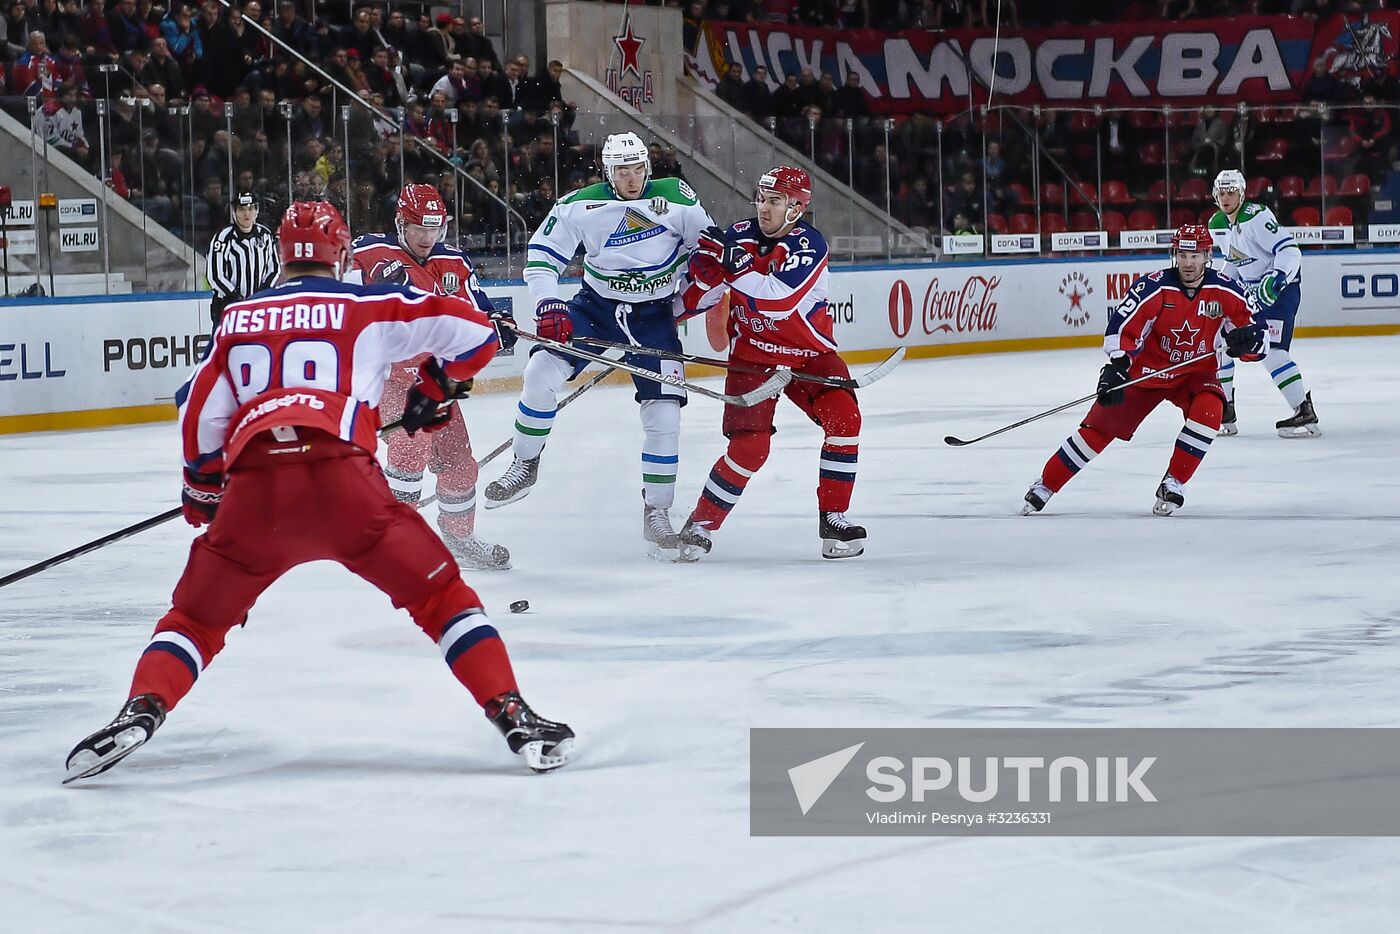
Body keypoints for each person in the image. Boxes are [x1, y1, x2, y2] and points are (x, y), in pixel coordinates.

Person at [64, 202, 574, 785]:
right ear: (345, 253)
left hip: (256, 492)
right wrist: (437, 387)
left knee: (194, 620)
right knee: (443, 601)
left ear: (281, 254)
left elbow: (199, 414)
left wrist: (204, 489)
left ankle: (143, 707)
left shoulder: (238, 320)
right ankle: (511, 709)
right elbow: (479, 333)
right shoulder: (368, 305)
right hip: (345, 487)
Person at [483, 131, 715, 559]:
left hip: (653, 317)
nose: (631, 178)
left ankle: (657, 512)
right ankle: (524, 464)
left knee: (664, 416)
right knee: (539, 372)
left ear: (649, 165)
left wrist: (689, 298)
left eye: (638, 168)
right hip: (596, 308)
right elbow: (541, 254)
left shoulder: (677, 197)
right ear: (607, 171)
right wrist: (549, 300)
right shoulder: (578, 203)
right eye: (622, 171)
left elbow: (710, 254)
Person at [674, 166, 866, 561]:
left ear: (796, 208)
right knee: (750, 448)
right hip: (753, 358)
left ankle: (833, 516)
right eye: (761, 199)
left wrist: (732, 265)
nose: (764, 208)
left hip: (809, 355)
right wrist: (694, 291)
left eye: (774, 201)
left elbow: (777, 301)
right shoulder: (738, 236)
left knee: (845, 418)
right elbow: (697, 297)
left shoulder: (810, 245)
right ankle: (700, 526)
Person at [1020, 224, 1265, 517]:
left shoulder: (1226, 289)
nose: (1189, 262)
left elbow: (1256, 334)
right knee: (1099, 430)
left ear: (1207, 255)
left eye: (1196, 255)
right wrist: (1118, 365)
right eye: (1183, 254)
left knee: (1211, 411)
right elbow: (1123, 327)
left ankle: (1174, 482)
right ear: (1175, 254)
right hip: (1145, 372)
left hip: (1193, 372)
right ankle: (1046, 484)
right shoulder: (1154, 286)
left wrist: (1247, 343)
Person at [351, 183, 514, 570]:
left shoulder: (453, 261)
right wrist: (374, 291)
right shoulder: (369, 252)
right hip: (387, 375)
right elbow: (337, 300)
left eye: (435, 229)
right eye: (419, 229)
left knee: (460, 463)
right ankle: (391, 543)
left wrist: (499, 323)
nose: (427, 238)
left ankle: (459, 540)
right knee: (411, 450)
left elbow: (480, 309)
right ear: (400, 223)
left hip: (434, 380)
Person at [1208, 169, 1320, 438]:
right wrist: (1220, 289)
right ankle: (1226, 409)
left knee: (1273, 353)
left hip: (1281, 292)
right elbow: (1235, 261)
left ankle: (1303, 410)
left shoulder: (1256, 216)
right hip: (1252, 294)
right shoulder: (1217, 224)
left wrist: (1277, 279)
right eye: (1221, 192)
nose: (1226, 197)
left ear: (1241, 193)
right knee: (1219, 339)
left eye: (1231, 192)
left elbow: (1290, 250)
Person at [206, 191, 280, 328]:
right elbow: (215, 276)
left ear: (256, 211)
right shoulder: (223, 239)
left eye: (251, 209)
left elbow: (274, 269)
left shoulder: (265, 235)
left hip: (259, 308)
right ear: (234, 211)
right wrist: (235, 297)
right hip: (228, 308)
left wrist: (263, 293)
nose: (247, 214)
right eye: (242, 209)